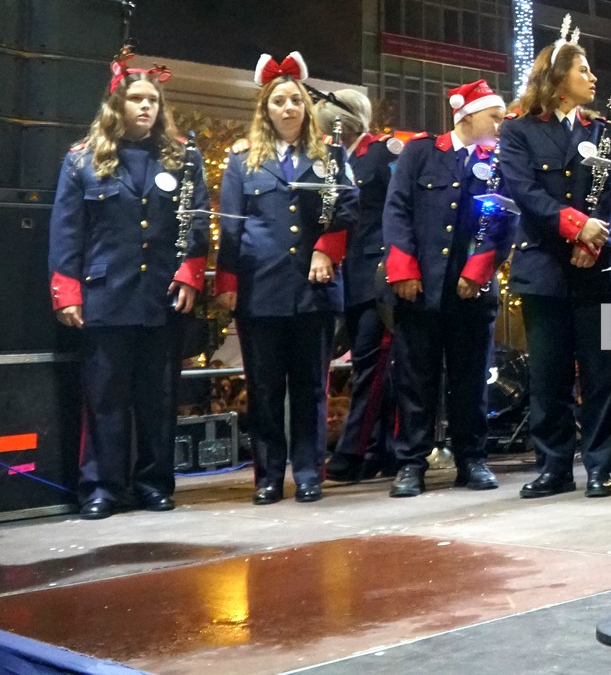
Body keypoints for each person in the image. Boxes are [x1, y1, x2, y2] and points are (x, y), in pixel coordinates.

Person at [49, 54, 209, 520]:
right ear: (116, 104)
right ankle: (102, 488)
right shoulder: (83, 159)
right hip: (106, 294)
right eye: (137, 98)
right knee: (105, 399)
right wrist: (66, 292)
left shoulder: (184, 158)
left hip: (163, 296)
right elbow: (67, 230)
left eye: (153, 100)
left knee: (158, 399)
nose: (146, 107)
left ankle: (154, 484)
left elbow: (197, 224)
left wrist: (190, 274)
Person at [215, 52, 357, 506]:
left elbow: (349, 207)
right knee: (264, 389)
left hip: (313, 287)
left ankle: (310, 473)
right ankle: (269, 476)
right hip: (261, 287)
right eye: (279, 101)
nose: (289, 108)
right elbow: (231, 225)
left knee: (312, 387)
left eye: (296, 100)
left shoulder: (330, 154)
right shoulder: (243, 161)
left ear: (306, 107)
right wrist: (227, 283)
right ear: (266, 109)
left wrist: (325, 249)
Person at [499, 25, 611, 499]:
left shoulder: (604, 131)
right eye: (583, 70)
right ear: (557, 79)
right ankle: (554, 467)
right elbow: (523, 190)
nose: (593, 78)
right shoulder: (519, 129)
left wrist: (592, 239)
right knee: (548, 375)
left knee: (600, 373)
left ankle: (600, 466)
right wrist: (575, 227)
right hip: (544, 267)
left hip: (599, 267)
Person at [382, 81, 513, 497]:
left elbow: (505, 221)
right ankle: (411, 463)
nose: (501, 124)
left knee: (471, 380)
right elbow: (397, 209)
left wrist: (478, 271)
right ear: (467, 116)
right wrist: (403, 269)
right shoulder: (421, 153)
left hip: (471, 292)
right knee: (415, 380)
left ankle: (471, 458)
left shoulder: (500, 163)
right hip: (419, 288)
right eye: (494, 116)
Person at [321, 89, 401, 484]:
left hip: (378, 272)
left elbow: (400, 209)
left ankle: (354, 450)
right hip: (346, 275)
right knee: (371, 365)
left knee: (373, 362)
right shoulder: (332, 159)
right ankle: (381, 450)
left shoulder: (384, 154)